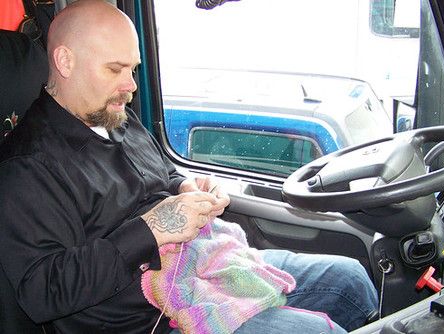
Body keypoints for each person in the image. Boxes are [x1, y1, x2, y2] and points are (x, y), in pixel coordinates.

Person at [0, 0, 378, 333]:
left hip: (199, 267)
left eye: (132, 69)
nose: (130, 86)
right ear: (65, 61)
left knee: (350, 280)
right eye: (115, 69)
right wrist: (151, 229)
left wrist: (187, 187)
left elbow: (162, 173)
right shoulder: (29, 166)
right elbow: (43, 292)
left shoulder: (115, 115)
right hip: (148, 316)